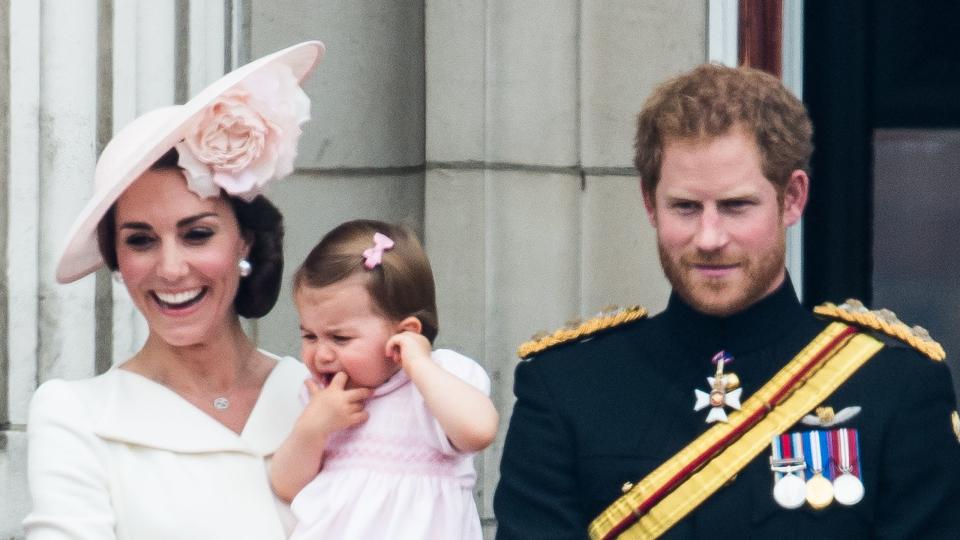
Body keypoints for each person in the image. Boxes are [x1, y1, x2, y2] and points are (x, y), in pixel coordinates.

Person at [493, 63, 960, 539]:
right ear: (650, 204)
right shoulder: (565, 386)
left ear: (793, 198)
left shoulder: (896, 388)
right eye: (686, 207)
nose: (709, 237)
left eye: (736, 206)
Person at [23, 41, 325, 539]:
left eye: (197, 234)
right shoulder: (78, 416)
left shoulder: (320, 397)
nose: (171, 268)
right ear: (117, 260)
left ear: (244, 239)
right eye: (140, 241)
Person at [269, 219, 499, 539]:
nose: (321, 354)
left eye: (340, 338)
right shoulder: (323, 399)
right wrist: (312, 428)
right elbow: (286, 486)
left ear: (405, 333)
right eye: (309, 335)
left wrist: (419, 364)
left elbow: (479, 431)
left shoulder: (437, 380)